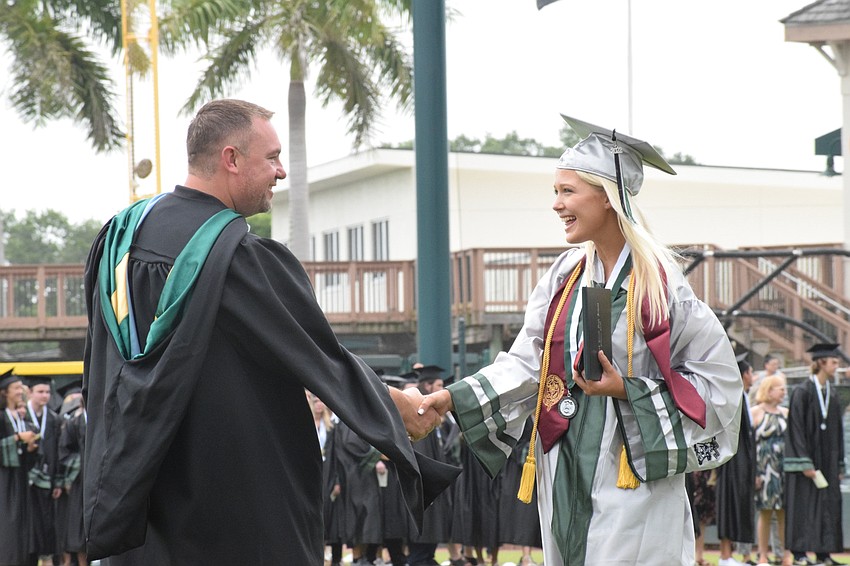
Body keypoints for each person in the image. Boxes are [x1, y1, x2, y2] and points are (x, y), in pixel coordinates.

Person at [81, 99, 453, 564]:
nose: (281, 172)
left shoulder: (117, 241)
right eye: (273, 158)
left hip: (139, 494)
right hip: (229, 508)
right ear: (231, 159)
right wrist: (401, 408)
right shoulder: (240, 257)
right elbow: (323, 360)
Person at [419, 115, 742, 565]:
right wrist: (451, 399)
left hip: (630, 471)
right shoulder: (563, 277)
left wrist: (627, 390)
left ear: (608, 197)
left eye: (567, 191)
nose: (556, 204)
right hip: (563, 463)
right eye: (556, 192)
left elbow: (718, 389)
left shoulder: (662, 287)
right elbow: (528, 360)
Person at [784, 343, 845, 566]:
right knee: (803, 504)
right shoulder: (802, 392)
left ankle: (824, 552)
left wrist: (839, 464)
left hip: (828, 460)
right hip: (806, 462)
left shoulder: (833, 395)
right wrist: (804, 461)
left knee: (828, 504)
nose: (836, 366)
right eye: (834, 362)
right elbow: (796, 428)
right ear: (821, 363)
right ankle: (800, 553)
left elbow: (838, 430)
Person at [715, 357, 757, 566]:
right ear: (744, 374)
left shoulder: (745, 397)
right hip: (732, 460)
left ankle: (732, 555)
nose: (753, 376)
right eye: (751, 372)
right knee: (728, 503)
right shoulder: (734, 397)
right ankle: (724, 556)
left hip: (743, 460)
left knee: (738, 504)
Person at [0, 369, 40, 566]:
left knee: (22, 525)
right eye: (15, 388)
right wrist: (17, 438)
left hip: (19, 479)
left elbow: (25, 456)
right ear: (4, 392)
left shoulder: (20, 419)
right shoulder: (1, 417)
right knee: (9, 523)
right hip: (4, 481)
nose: (19, 391)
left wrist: (31, 448)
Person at [750, 374, 789, 566]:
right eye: (780, 388)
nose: (783, 392)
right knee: (765, 513)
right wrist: (754, 473)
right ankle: (762, 555)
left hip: (782, 468)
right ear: (769, 389)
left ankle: (784, 555)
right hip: (763, 468)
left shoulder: (786, 413)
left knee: (783, 512)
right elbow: (750, 445)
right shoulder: (756, 412)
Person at [23, 376, 62, 565]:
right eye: (40, 391)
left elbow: (59, 450)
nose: (45, 396)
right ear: (29, 392)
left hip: (47, 478)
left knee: (45, 521)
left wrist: (57, 481)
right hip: (25, 479)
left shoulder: (54, 418)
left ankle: (44, 556)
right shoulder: (23, 416)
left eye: (47, 392)